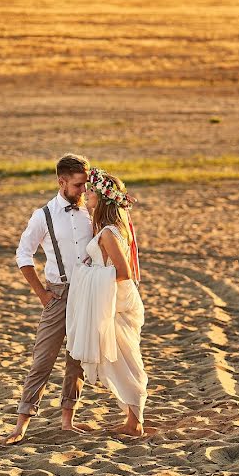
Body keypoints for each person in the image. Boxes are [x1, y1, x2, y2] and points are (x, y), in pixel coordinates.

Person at [1, 153, 93, 445]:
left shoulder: (90, 211)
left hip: (88, 293)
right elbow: (23, 254)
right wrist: (41, 293)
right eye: (78, 185)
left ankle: (68, 420)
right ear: (61, 182)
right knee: (43, 359)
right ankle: (21, 425)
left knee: (77, 360)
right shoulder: (43, 215)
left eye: (85, 185)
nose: (83, 191)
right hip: (59, 294)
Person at [66, 167, 148, 437]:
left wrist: (87, 274)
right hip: (112, 300)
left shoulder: (110, 233)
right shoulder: (107, 229)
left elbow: (122, 273)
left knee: (124, 358)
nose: (86, 195)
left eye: (90, 191)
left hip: (116, 302)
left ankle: (134, 422)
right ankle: (132, 418)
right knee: (118, 358)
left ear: (102, 198)